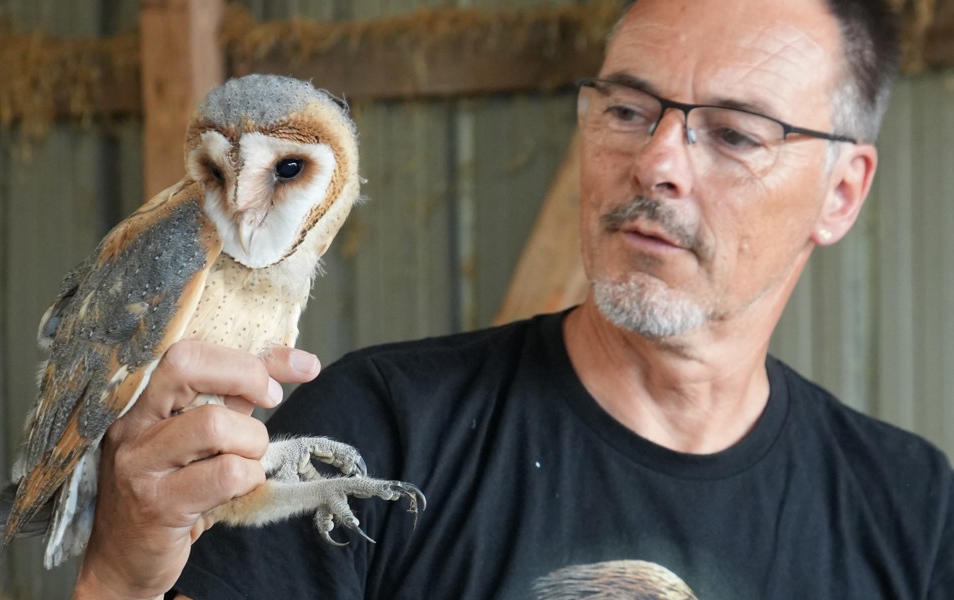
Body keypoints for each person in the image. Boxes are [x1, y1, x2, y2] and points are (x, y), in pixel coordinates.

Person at [72, 0, 954, 597]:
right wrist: (120, 573)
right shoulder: (374, 441)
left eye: (733, 133)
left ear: (841, 193)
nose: (659, 162)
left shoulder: (910, 510)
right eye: (628, 110)